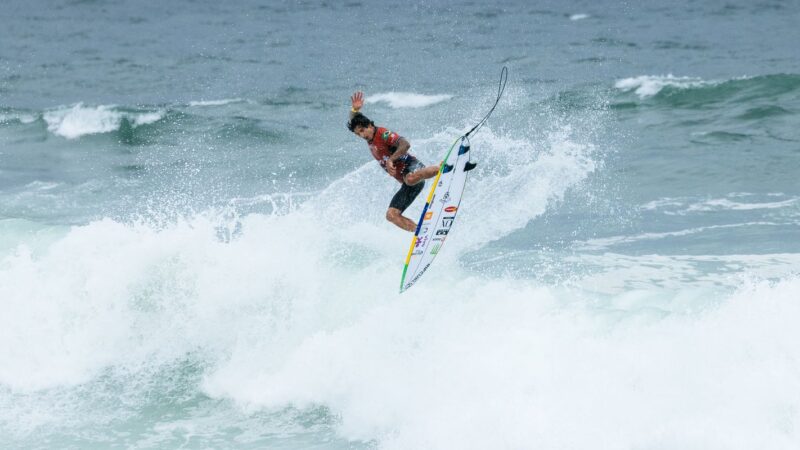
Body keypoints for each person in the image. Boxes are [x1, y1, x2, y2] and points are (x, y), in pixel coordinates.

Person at [347, 91, 440, 232]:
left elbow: (405, 144)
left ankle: (443, 167)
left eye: (362, 131)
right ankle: (422, 233)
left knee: (410, 178)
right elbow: (356, 122)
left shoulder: (383, 134)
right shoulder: (370, 138)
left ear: (370, 126)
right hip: (407, 182)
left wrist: (391, 159)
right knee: (391, 215)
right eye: (357, 134)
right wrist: (354, 111)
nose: (361, 135)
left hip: (413, 168)